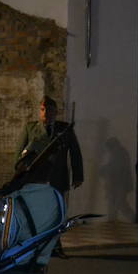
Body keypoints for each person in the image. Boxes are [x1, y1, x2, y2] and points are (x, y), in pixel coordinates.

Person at [13, 96, 83, 258]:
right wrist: (19, 174)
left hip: (57, 178)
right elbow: (18, 155)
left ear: (55, 112)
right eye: (43, 110)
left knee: (57, 215)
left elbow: (75, 153)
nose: (46, 113)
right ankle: (36, 246)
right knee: (37, 214)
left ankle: (56, 246)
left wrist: (78, 175)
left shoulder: (64, 129)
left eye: (50, 110)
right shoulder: (30, 129)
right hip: (36, 180)